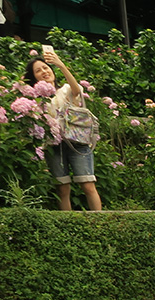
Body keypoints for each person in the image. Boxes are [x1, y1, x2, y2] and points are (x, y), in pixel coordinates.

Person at [24, 53, 102, 211]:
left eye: (46, 67)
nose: (44, 71)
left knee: (88, 185)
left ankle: (99, 224)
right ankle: (68, 224)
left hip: (77, 141)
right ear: (34, 77)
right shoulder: (35, 99)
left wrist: (61, 64)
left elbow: (77, 90)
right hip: (53, 145)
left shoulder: (65, 90)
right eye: (38, 71)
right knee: (62, 188)